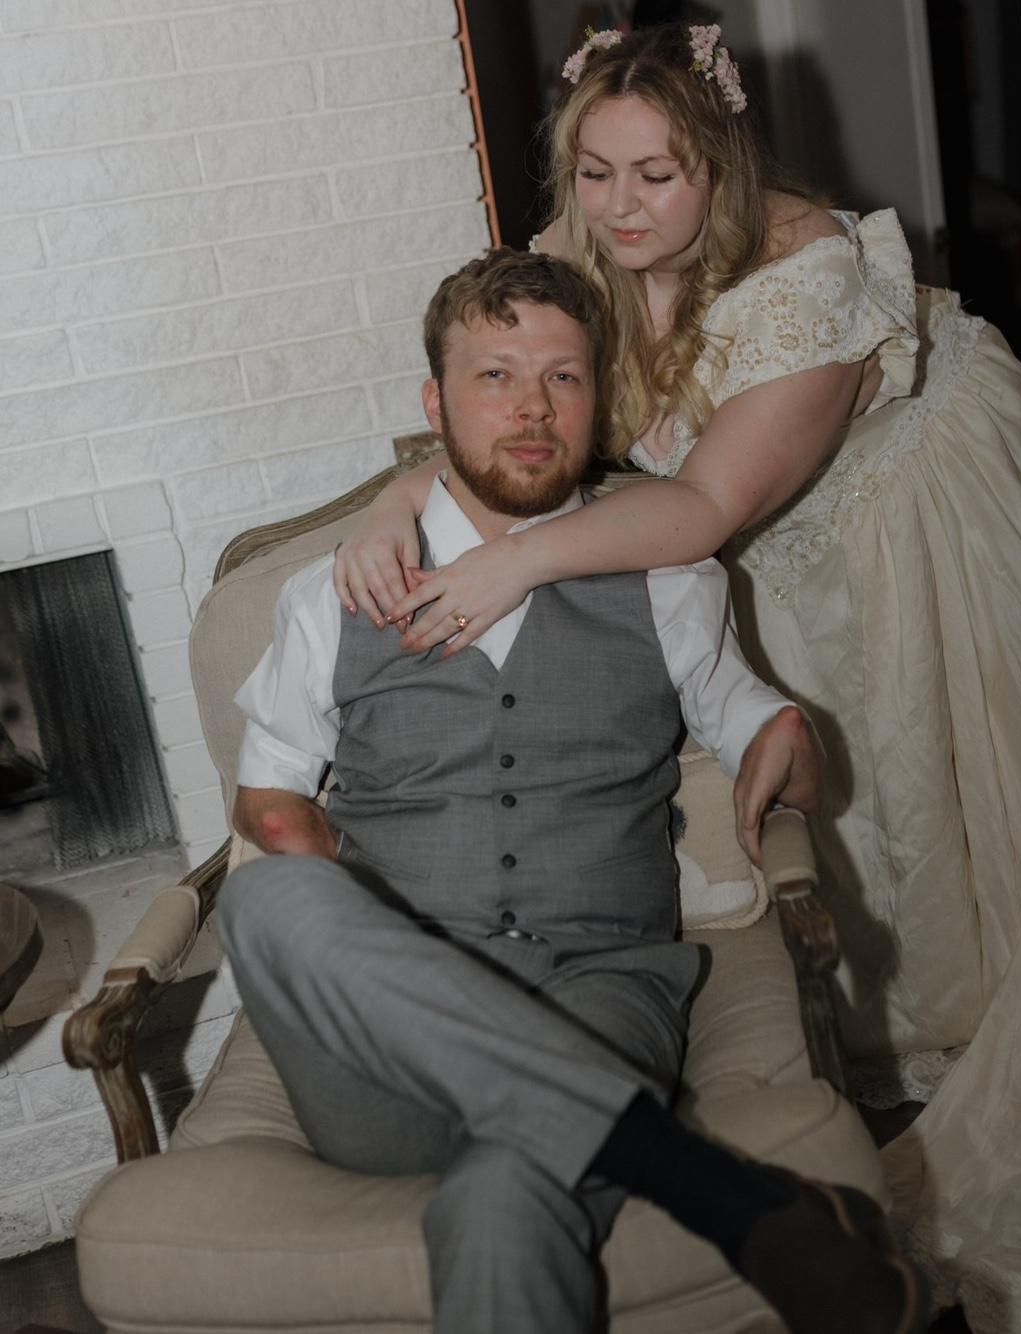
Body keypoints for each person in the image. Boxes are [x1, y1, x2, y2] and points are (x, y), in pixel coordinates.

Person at [331, 21, 1021, 1333]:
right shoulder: (582, 245)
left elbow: (698, 508)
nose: (619, 209)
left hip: (909, 492)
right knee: (826, 749)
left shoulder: (802, 279)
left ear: (719, 166)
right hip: (737, 493)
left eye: (656, 176)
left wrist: (512, 562)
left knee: (940, 759)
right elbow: (515, 399)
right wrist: (395, 504)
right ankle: (879, 1019)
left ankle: (1004, 1007)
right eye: (594, 172)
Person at [218, 247, 926, 1334]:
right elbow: (267, 802)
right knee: (267, 897)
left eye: (563, 376)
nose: (533, 408)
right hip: (392, 1055)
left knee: (504, 1207)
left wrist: (785, 735)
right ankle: (724, 1198)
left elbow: (763, 732)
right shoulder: (333, 594)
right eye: (495, 376)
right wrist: (378, 959)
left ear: (597, 400)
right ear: (435, 405)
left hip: (599, 998)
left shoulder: (668, 579)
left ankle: (645, 1166)